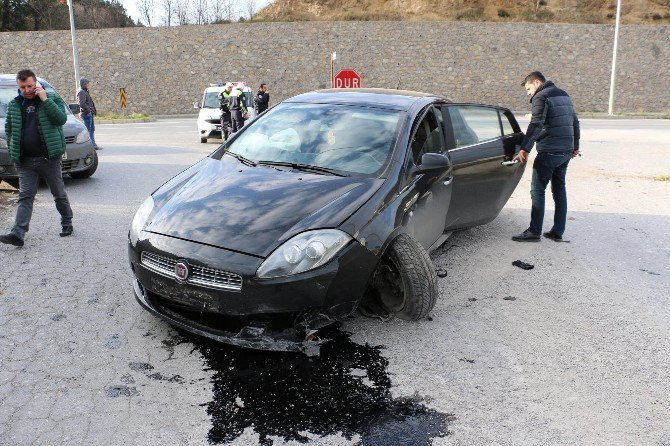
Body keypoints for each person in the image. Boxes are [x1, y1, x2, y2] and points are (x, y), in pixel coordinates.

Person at [0, 69, 74, 247]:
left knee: (58, 193)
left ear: (36, 84)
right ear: (18, 86)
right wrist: (14, 152)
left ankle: (67, 221)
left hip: (49, 159)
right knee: (25, 196)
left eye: (30, 86)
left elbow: (60, 119)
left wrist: (45, 100)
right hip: (25, 161)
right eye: (23, 86)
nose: (27, 89)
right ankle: (18, 233)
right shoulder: (14, 105)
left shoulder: (50, 99)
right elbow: (9, 130)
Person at [512, 71, 580, 242]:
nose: (528, 93)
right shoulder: (563, 94)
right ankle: (557, 231)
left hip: (550, 151)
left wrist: (524, 148)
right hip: (565, 151)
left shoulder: (541, 96)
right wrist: (575, 146)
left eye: (528, 89)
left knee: (537, 190)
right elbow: (574, 122)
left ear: (536, 82)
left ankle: (534, 231)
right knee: (559, 189)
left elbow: (536, 123)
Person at [77, 77, 100, 150]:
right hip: (86, 114)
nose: (88, 85)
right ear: (84, 84)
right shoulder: (81, 92)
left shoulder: (85, 91)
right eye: (87, 83)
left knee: (91, 130)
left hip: (88, 114)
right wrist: (89, 111)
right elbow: (82, 104)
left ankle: (93, 145)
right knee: (87, 131)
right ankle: (89, 146)